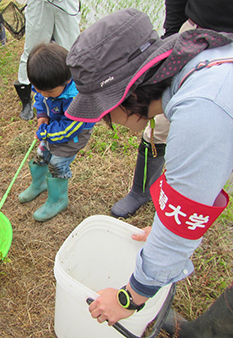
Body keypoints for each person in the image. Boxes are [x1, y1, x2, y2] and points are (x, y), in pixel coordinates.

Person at [65, 8, 233, 336]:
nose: (106, 123)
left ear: (127, 94)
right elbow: (189, 186)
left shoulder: (202, 109)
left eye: (102, 110)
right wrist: (161, 222)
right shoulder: (197, 65)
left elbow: (181, 227)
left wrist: (129, 298)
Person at [111, 0, 233, 219]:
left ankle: (193, 203)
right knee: (159, 128)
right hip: (193, 33)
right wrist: (172, 36)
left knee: (210, 140)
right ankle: (141, 190)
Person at [18, 43, 95, 222]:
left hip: (73, 133)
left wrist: (46, 133)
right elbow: (40, 99)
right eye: (39, 88)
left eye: (50, 91)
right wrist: (42, 116)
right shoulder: (46, 88)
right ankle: (39, 184)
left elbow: (68, 130)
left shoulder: (76, 100)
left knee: (58, 163)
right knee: (41, 154)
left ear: (67, 80)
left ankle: (58, 199)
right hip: (53, 127)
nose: (44, 93)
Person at [13, 0, 81, 121]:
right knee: (33, 50)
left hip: (66, 3)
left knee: (71, 50)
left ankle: (72, 93)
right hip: (39, 4)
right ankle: (26, 100)